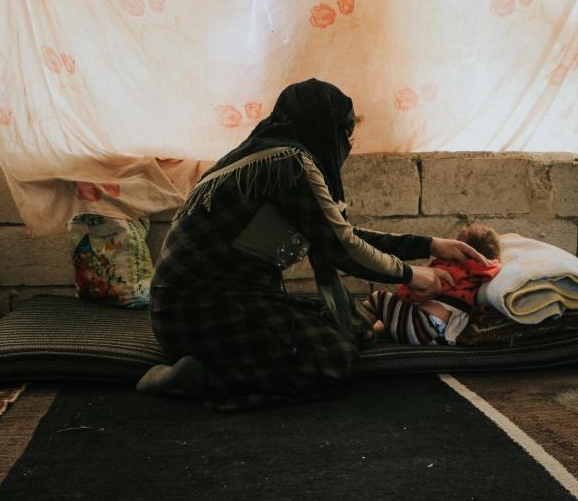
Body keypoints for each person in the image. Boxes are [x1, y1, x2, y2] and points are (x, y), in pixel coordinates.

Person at [137, 79, 490, 411]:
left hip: (196, 308)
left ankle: (206, 364)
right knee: (334, 359)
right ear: (324, 128)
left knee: (351, 327)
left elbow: (339, 235)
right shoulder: (288, 164)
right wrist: (411, 274)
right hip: (201, 311)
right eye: (345, 133)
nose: (348, 146)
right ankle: (204, 379)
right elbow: (343, 247)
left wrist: (429, 244)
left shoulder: (261, 157)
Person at [364, 225, 502, 346]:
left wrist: (405, 289)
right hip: (443, 335)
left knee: (378, 298)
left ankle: (360, 330)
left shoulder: (451, 269)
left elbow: (410, 292)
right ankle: (378, 329)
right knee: (395, 316)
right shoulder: (482, 272)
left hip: (422, 326)